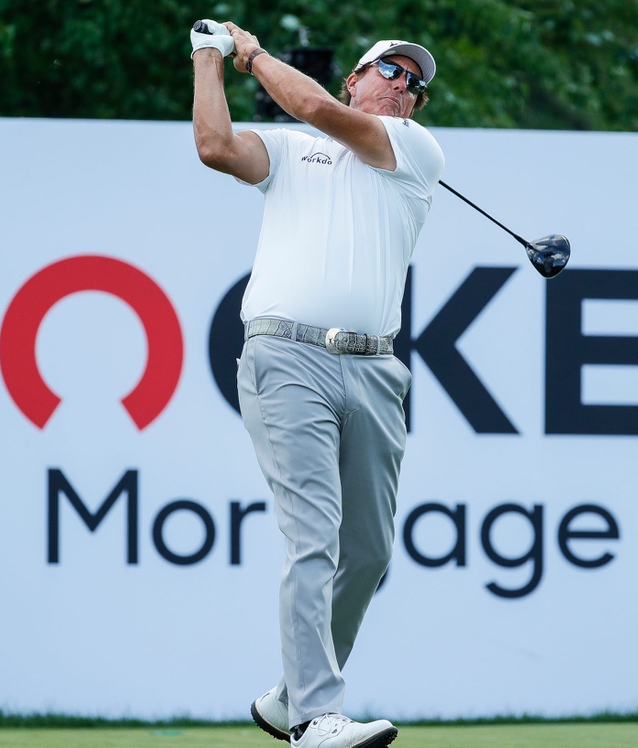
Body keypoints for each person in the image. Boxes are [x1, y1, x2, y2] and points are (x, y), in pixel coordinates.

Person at [190, 19, 444, 748]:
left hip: (375, 368)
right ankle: (316, 716)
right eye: (389, 72)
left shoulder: (414, 150)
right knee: (316, 536)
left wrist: (255, 54)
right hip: (285, 359)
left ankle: (287, 696)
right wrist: (209, 58)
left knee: (368, 551)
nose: (403, 86)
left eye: (414, 83)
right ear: (354, 79)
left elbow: (315, 110)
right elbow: (214, 146)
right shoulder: (292, 151)